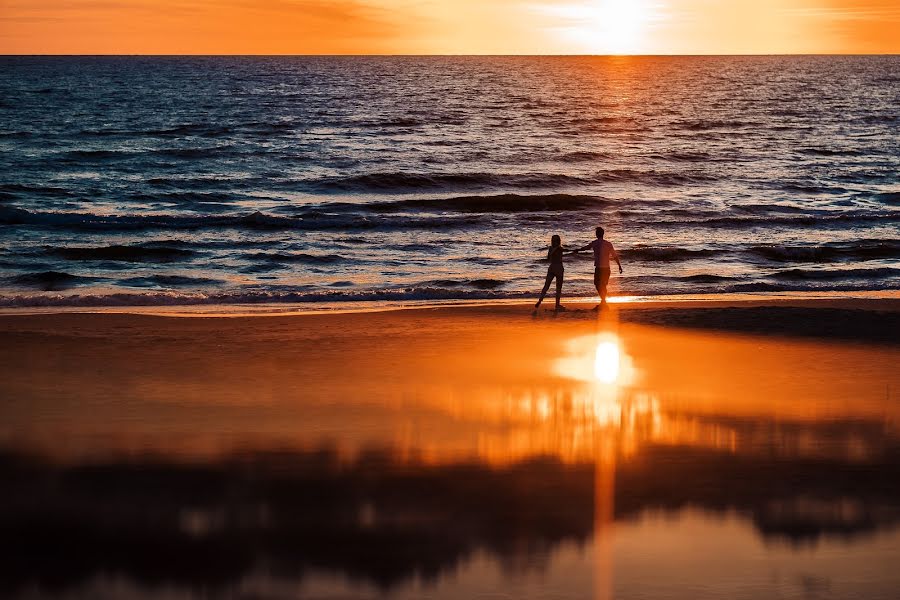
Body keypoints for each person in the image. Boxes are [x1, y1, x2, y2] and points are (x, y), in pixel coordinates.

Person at [575, 227, 622, 308]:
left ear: (597, 234)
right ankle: (603, 303)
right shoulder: (608, 244)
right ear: (603, 234)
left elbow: (586, 248)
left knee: (597, 284)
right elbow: (615, 256)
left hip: (599, 268)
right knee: (603, 285)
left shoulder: (595, 243)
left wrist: (577, 250)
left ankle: (603, 303)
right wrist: (619, 266)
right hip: (607, 268)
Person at [534, 234, 570, 313]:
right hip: (559, 268)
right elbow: (566, 251)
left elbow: (548, 259)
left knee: (546, 286)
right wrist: (576, 250)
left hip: (551, 267)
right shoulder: (560, 248)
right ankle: (557, 305)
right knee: (558, 288)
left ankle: (539, 301)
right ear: (559, 241)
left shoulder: (550, 248)